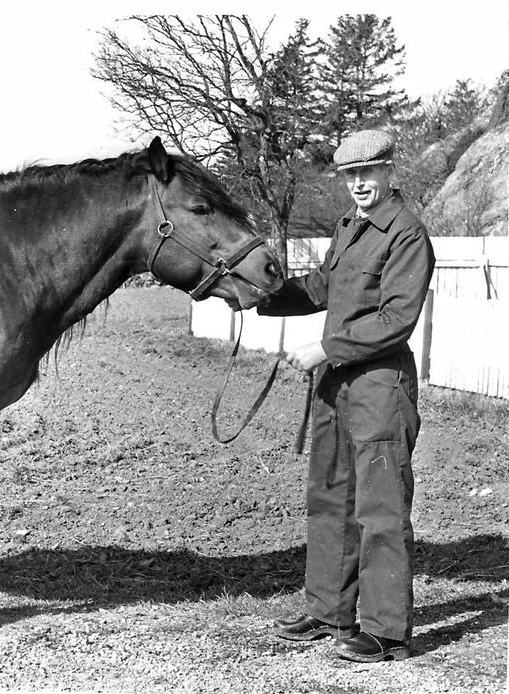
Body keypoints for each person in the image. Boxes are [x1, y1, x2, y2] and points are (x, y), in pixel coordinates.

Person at [257, 129, 435, 663]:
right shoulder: (349, 228)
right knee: (331, 496)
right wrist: (261, 295)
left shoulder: (407, 234)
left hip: (380, 388)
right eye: (350, 175)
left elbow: (396, 320)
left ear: (389, 171)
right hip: (337, 390)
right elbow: (321, 287)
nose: (358, 183)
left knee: (380, 508)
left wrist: (325, 348)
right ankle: (329, 608)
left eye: (368, 172)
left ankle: (387, 632)